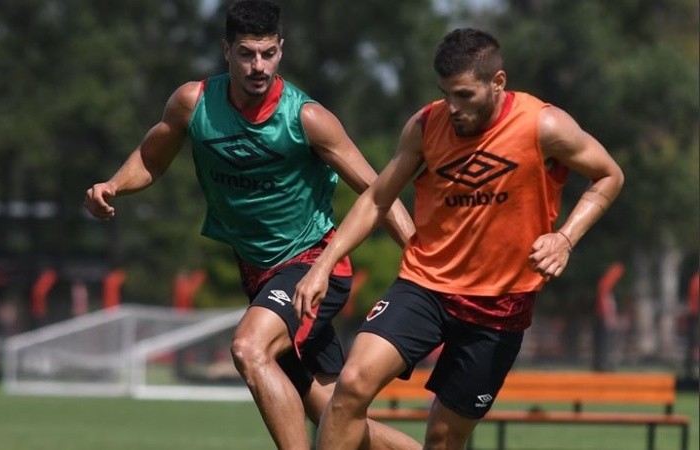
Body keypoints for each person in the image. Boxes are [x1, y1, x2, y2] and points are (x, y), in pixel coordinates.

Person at [84, 1, 418, 448]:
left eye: (267, 53)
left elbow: (379, 191)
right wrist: (113, 186)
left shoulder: (307, 118)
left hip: (314, 267)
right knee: (335, 417)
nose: (258, 66)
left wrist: (424, 263)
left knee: (248, 348)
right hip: (259, 274)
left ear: (281, 50)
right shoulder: (193, 103)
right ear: (227, 51)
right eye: (246, 53)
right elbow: (150, 158)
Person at [293, 28, 625, 450]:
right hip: (425, 285)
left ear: (498, 83)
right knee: (352, 385)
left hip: (500, 305)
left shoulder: (544, 125)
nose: (452, 107)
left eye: (464, 95)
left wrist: (565, 238)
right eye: (445, 93)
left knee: (444, 439)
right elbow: (377, 198)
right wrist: (322, 265)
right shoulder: (426, 125)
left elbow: (609, 175)